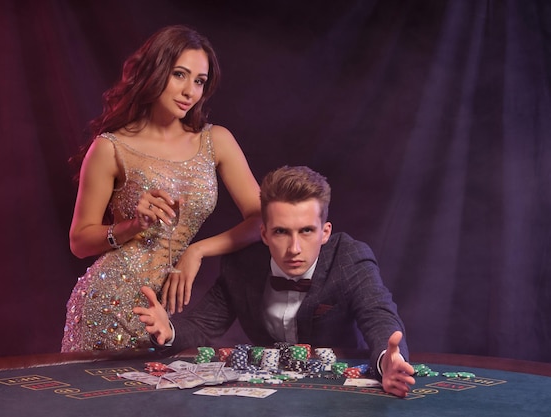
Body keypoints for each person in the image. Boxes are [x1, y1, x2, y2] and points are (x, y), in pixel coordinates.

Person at [61, 25, 261, 352]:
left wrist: (197, 251)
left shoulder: (216, 141)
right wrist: (132, 226)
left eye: (199, 81)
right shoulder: (111, 148)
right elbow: (79, 241)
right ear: (156, 71)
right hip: (107, 304)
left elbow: (262, 220)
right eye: (180, 75)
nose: (190, 92)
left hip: (162, 315)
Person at [134, 165, 416, 397]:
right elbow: (201, 325)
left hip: (334, 395)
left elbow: (379, 315)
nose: (294, 248)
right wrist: (167, 329)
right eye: (281, 232)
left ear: (325, 232)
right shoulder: (243, 264)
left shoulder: (349, 258)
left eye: (306, 231)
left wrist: (388, 360)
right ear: (265, 234)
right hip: (269, 396)